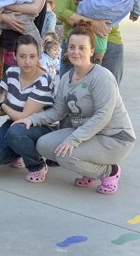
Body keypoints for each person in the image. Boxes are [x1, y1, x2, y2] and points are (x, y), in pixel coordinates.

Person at [13, 22, 135, 194]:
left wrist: (73, 140)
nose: (75, 51)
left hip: (114, 138)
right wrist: (31, 119)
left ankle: (110, 171)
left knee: (65, 154)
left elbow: (103, 115)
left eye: (81, 48)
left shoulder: (102, 76)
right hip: (88, 135)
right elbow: (58, 111)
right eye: (71, 47)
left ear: (92, 51)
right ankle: (89, 170)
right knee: (43, 145)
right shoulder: (67, 77)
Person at [0, 35, 55, 182]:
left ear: (39, 56)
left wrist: (2, 105)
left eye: (32, 56)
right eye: (22, 56)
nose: (27, 61)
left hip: (40, 127)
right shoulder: (11, 72)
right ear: (14, 56)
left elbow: (22, 117)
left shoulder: (43, 81)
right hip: (15, 124)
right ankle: (20, 151)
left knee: (16, 132)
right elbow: (5, 108)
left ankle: (37, 165)